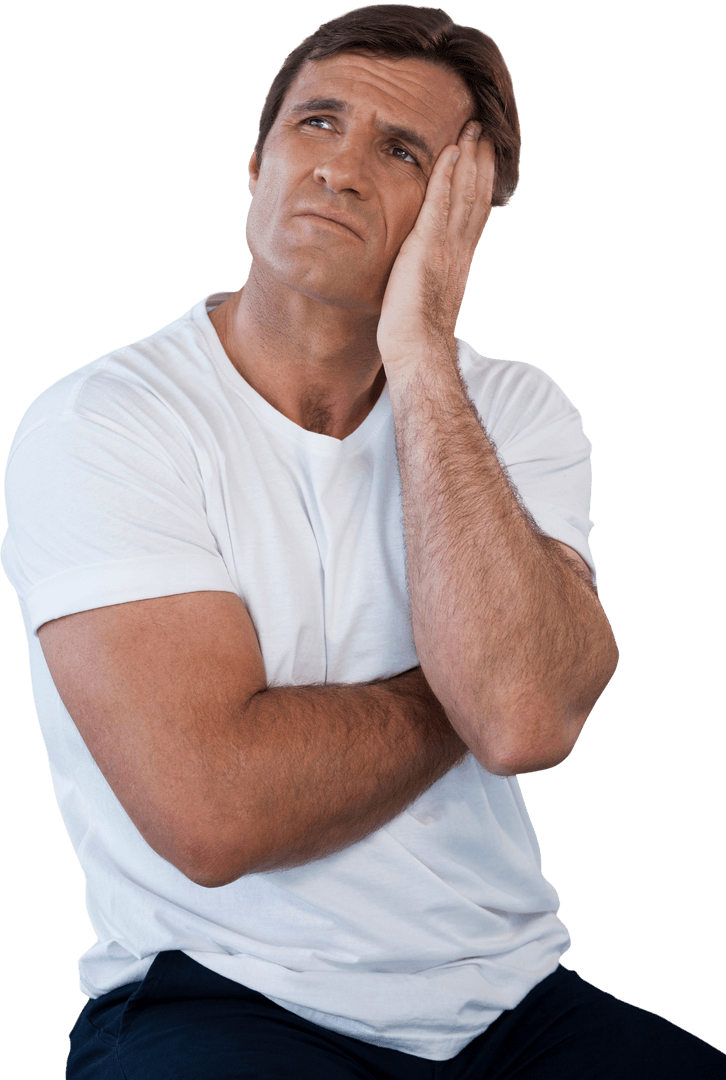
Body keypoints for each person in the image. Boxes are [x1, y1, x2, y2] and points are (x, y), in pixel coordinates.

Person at [2, 4, 724, 1077]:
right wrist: (465, 689)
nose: (338, 169)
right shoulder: (105, 421)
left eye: (399, 151)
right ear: (255, 162)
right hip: (218, 996)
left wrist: (422, 349)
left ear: (464, 211)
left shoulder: (515, 412)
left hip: (511, 998)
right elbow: (216, 812)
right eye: (317, 123)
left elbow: (521, 718)